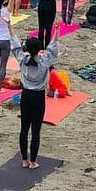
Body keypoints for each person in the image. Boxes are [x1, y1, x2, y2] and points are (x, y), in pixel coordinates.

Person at [9, 25, 61, 169]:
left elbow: (15, 45)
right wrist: (56, 31)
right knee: (36, 131)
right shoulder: (44, 62)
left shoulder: (22, 59)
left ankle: (24, 160)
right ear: (39, 50)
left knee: (24, 129)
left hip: (26, 96)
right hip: (38, 98)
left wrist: (9, 26)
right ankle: (33, 161)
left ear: (27, 50)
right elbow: (53, 48)